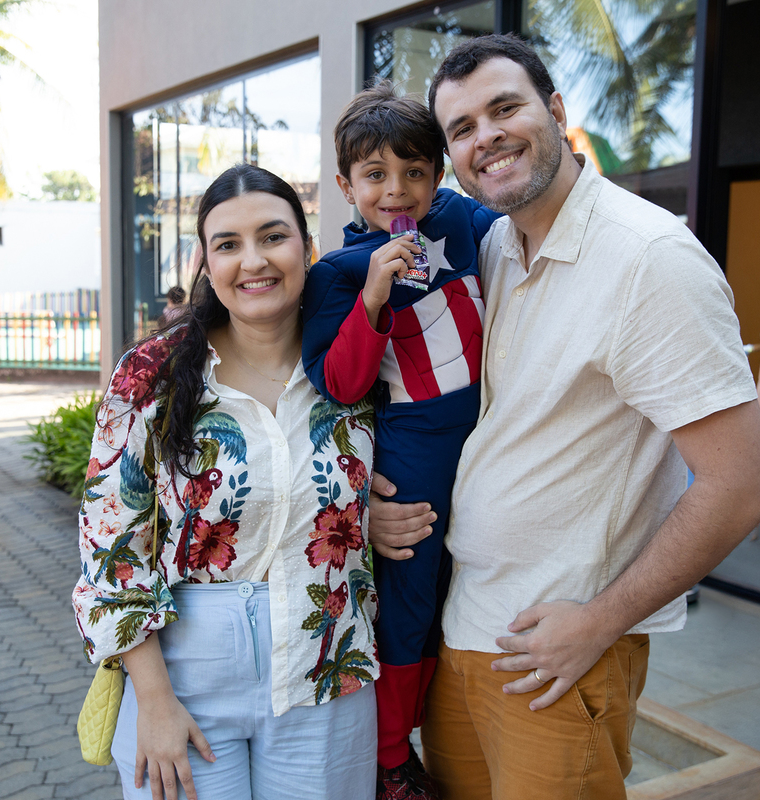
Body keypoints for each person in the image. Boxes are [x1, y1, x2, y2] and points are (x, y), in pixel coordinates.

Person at [367, 34, 760, 800]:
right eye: (462, 128)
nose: (486, 137)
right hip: (464, 627)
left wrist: (599, 621)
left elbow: (742, 486)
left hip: (559, 653)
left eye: (505, 108)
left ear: (556, 110)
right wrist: (375, 501)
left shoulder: (648, 258)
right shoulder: (493, 245)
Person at [73, 164, 380, 800]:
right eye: (229, 244)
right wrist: (154, 700)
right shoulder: (154, 374)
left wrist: (385, 513)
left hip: (326, 663)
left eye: (273, 236)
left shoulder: (357, 364)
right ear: (206, 263)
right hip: (183, 680)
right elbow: (110, 545)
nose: (253, 261)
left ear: (306, 247)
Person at [301, 81, 501, 799]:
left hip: (494, 444)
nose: (397, 190)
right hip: (414, 451)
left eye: (414, 171)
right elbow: (338, 383)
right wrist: (373, 298)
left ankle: (451, 728)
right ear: (346, 185)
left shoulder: (464, 219)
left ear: (439, 173)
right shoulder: (336, 273)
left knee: (466, 592)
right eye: (375, 174)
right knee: (410, 603)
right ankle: (390, 756)